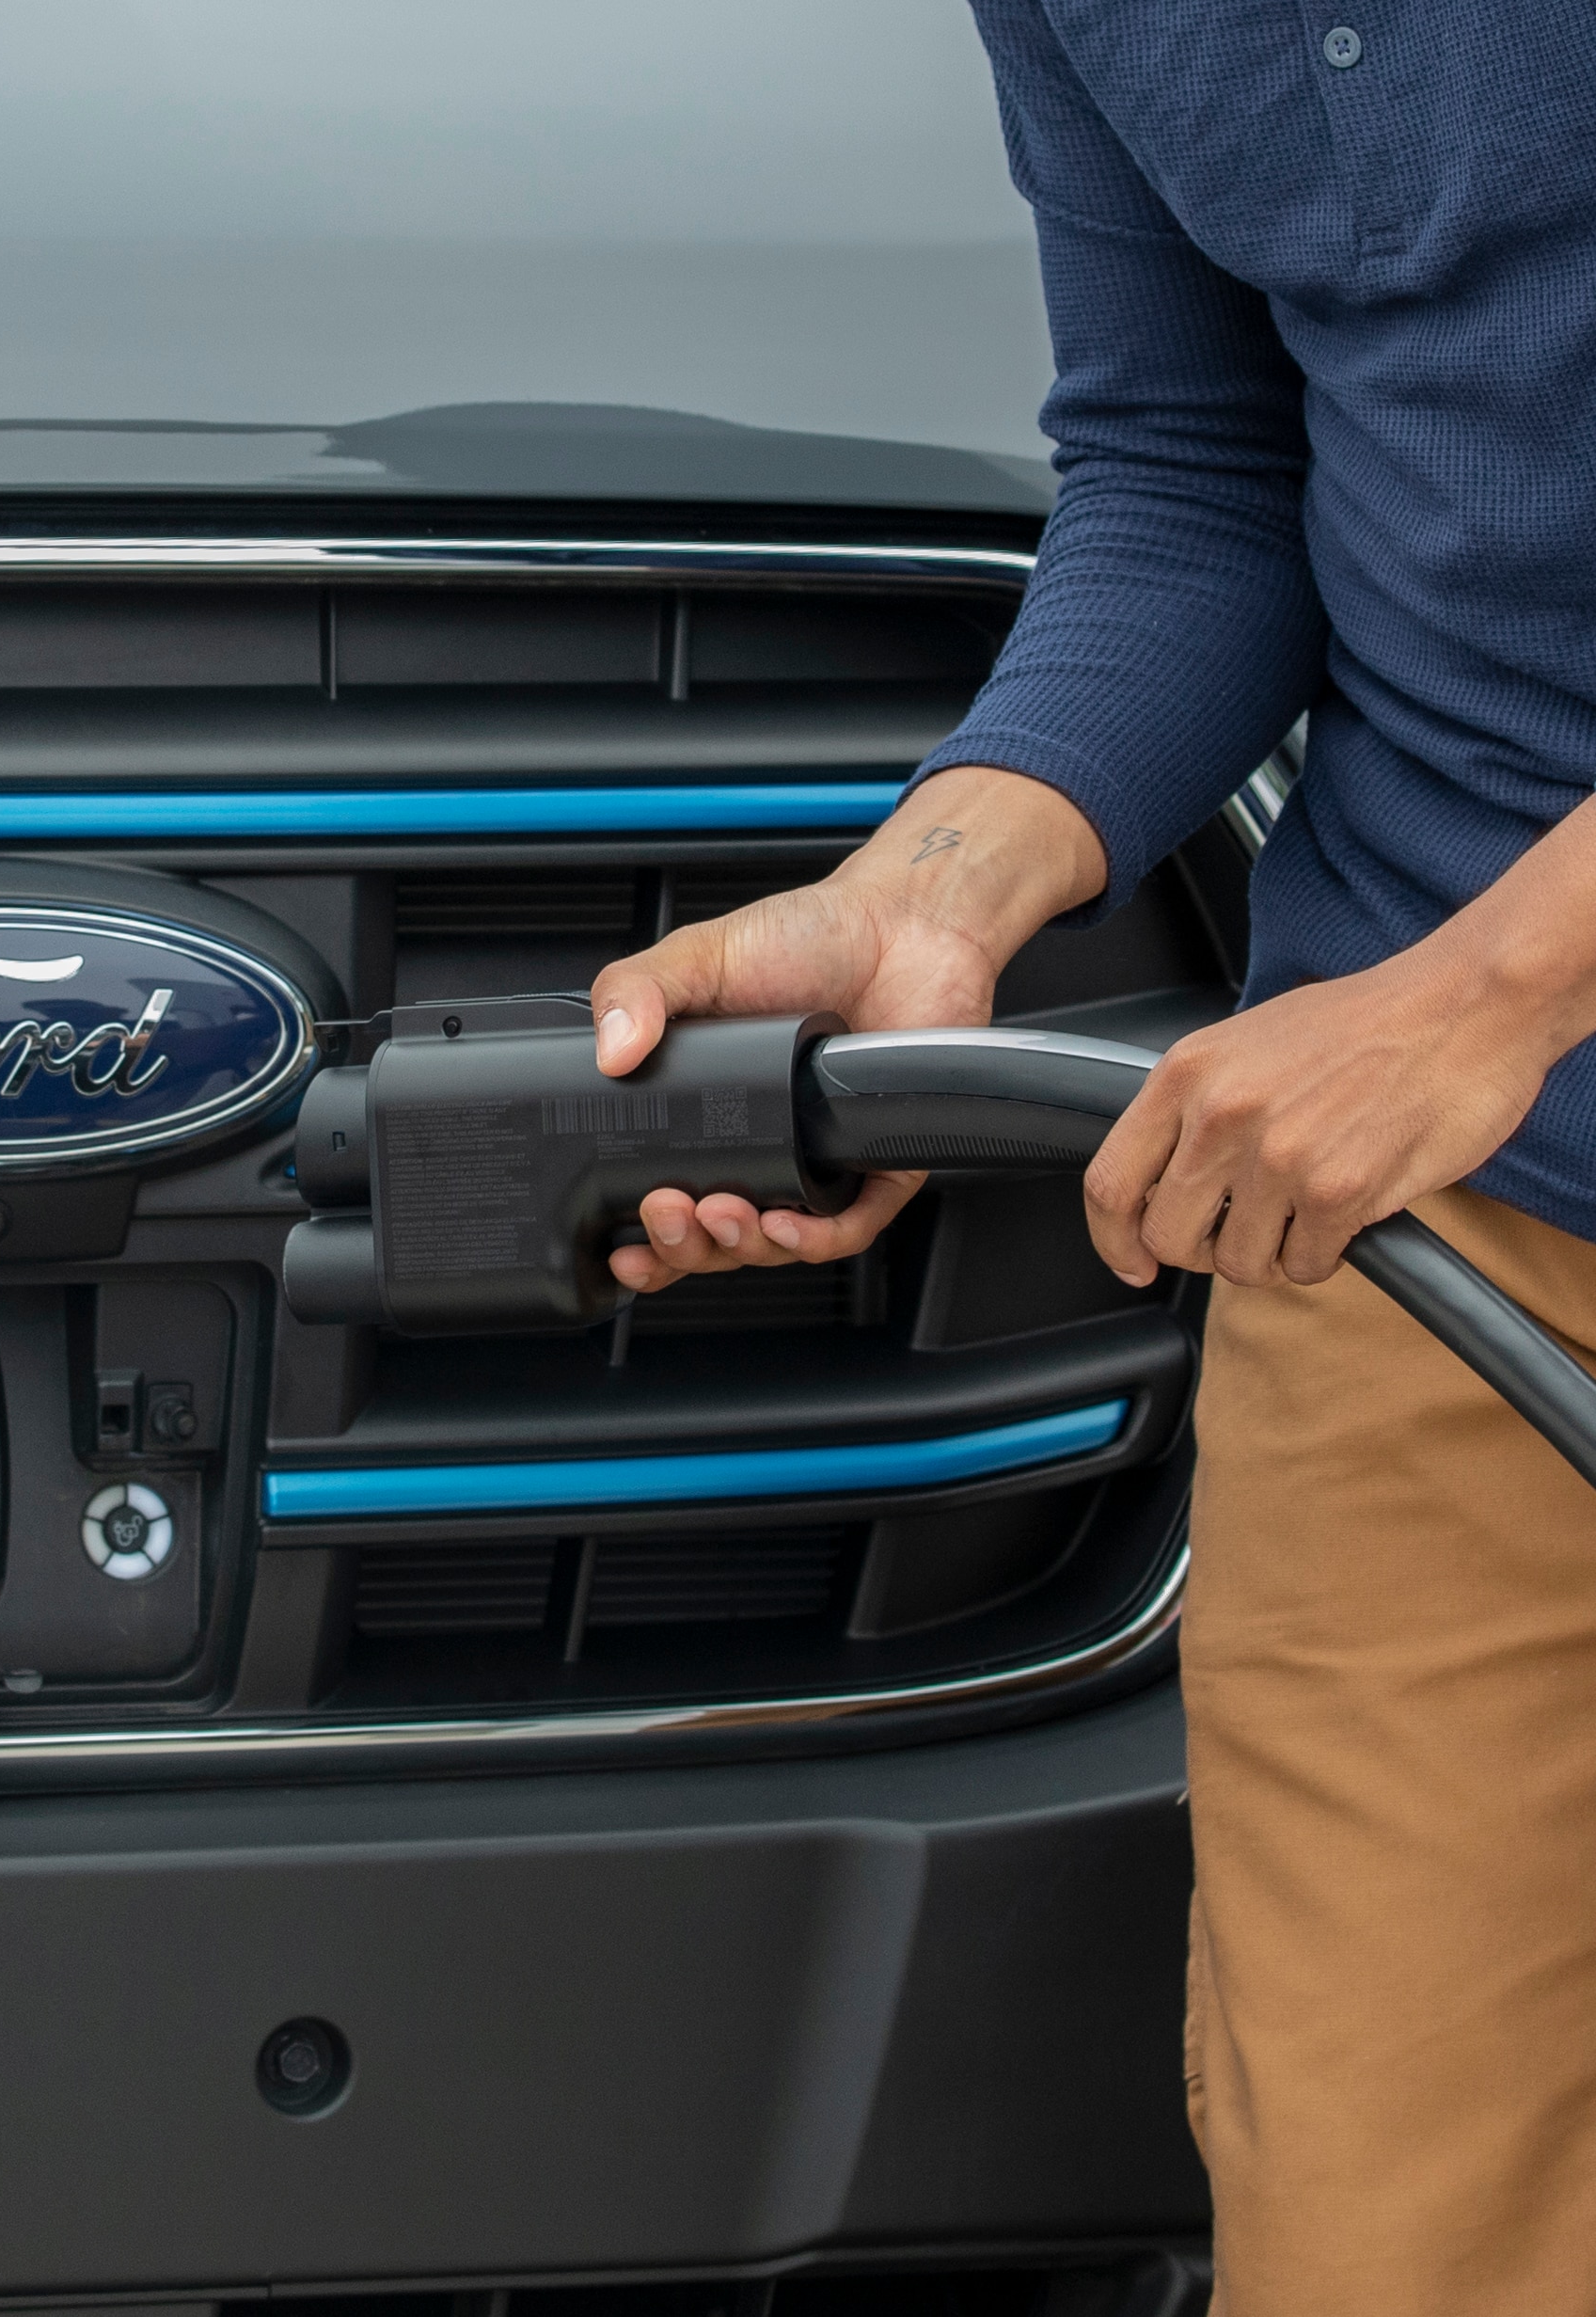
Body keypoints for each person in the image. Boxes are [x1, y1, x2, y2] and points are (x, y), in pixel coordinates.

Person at [586, 9, 1596, 2311]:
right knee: (1390, 2230)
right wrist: (937, 887)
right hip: (1433, 1252)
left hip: (1451, 1057)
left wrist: (1488, 990)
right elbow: (1197, 459)